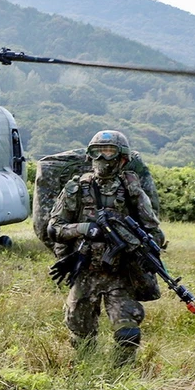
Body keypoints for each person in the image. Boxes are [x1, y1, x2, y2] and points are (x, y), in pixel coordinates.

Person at [47, 130, 164, 364]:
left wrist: (141, 248)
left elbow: (154, 231)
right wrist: (85, 229)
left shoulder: (132, 191)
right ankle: (86, 371)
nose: (102, 159)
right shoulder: (76, 188)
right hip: (85, 269)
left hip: (120, 273)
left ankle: (120, 373)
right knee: (80, 332)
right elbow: (54, 228)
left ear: (122, 159)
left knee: (127, 331)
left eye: (109, 152)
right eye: (97, 152)